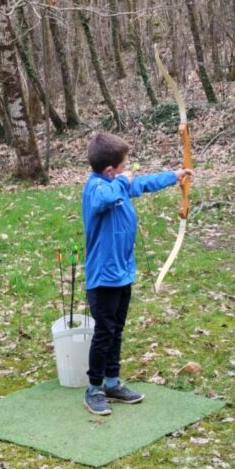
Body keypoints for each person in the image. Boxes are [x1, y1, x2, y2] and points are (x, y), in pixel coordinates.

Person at [81, 132, 193, 415]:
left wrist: (174, 175)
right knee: (104, 333)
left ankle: (112, 382)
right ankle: (94, 388)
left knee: (116, 331)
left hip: (122, 274)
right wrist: (122, 180)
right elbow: (103, 199)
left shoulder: (116, 184)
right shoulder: (97, 188)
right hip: (103, 278)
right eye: (124, 164)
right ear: (109, 170)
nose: (129, 168)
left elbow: (141, 183)